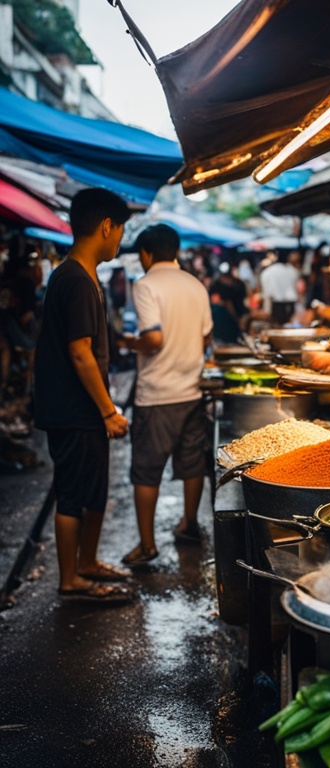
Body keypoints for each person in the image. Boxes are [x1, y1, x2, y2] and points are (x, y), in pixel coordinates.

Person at [34, 187, 133, 603]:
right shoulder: (74, 278)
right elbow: (80, 352)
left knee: (93, 491)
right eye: (120, 230)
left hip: (83, 409)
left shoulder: (84, 275)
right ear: (106, 226)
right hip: (73, 409)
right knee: (73, 495)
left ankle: (88, 563)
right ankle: (71, 579)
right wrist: (108, 410)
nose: (120, 239)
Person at [116, 224, 213, 565]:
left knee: (146, 469)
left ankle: (147, 545)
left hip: (157, 394)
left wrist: (129, 342)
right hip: (192, 390)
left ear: (146, 253)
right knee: (191, 463)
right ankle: (189, 523)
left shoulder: (145, 285)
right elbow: (205, 339)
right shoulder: (195, 285)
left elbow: (153, 339)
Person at [258, 250, 300, 325]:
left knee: (277, 326)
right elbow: (295, 289)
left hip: (276, 305)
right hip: (289, 304)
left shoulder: (268, 272)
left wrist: (267, 309)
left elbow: (267, 293)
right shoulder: (292, 270)